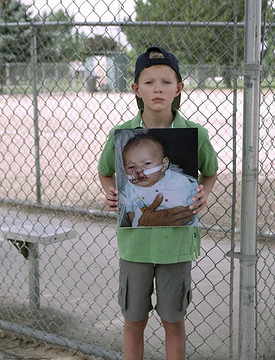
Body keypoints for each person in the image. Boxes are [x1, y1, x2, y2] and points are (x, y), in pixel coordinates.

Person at [98, 46, 219, 360]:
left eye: (166, 82)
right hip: (135, 247)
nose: (158, 89)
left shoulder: (195, 133)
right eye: (149, 82)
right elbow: (105, 172)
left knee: (173, 320)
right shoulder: (120, 134)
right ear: (136, 89)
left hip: (175, 246)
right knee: (134, 320)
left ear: (179, 88)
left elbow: (210, 171)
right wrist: (111, 192)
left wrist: (203, 191)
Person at [119, 133, 199, 228]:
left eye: (147, 163)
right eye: (131, 167)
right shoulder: (130, 188)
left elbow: (193, 210)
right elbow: (130, 213)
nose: (138, 170)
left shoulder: (180, 182)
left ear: (164, 165)